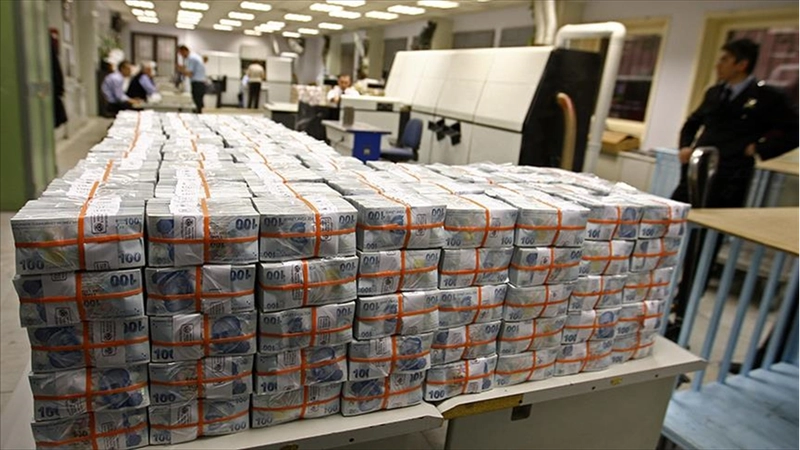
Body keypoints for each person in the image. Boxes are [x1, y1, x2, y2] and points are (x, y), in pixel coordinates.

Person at [672, 38, 800, 208]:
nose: (718, 65)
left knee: (714, 218)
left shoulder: (767, 97)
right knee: (676, 210)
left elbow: (796, 131)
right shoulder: (715, 92)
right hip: (700, 165)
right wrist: (685, 146)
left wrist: (760, 148)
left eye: (725, 60)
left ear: (741, 65)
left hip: (731, 172)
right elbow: (693, 122)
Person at [177, 45, 207, 113]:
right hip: (200, 83)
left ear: (184, 51)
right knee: (198, 104)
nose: (181, 56)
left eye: (181, 54)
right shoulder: (194, 56)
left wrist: (181, 70)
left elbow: (190, 74)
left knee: (196, 104)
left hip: (198, 83)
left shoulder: (191, 58)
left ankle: (198, 117)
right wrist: (183, 69)